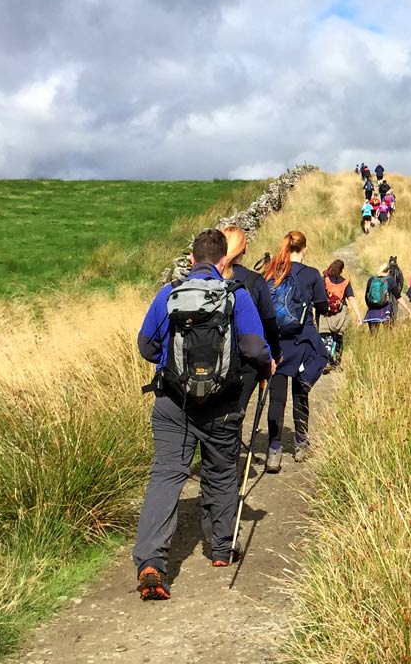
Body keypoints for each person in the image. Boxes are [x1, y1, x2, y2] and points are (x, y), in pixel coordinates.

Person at [133, 229, 273, 600]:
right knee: (222, 471)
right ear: (224, 261)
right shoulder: (237, 296)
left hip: (172, 404)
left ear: (192, 260)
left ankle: (151, 562)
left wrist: (172, 365)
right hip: (222, 405)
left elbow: (146, 345)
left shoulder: (169, 295)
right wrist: (264, 366)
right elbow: (255, 347)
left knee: (166, 476)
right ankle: (221, 549)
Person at [263, 230, 329, 470]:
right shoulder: (312, 275)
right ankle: (300, 443)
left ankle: (274, 449)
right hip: (304, 342)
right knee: (301, 395)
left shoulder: (270, 271)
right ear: (304, 249)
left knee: (276, 398)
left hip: (277, 343)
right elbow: (322, 306)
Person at [222, 226, 282, 413]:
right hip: (246, 361)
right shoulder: (255, 281)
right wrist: (275, 352)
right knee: (235, 414)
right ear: (244, 249)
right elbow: (269, 322)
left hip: (210, 356)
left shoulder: (211, 279)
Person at [319, 259, 362, 371]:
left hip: (326, 313)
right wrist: (358, 316)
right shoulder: (345, 282)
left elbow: (318, 297)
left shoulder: (325, 280)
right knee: (338, 337)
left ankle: (326, 361)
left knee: (326, 338)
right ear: (342, 270)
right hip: (340, 314)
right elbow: (351, 298)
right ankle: (336, 363)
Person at [362, 262, 409, 333]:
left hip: (372, 311)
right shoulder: (390, 280)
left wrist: (371, 305)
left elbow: (366, 296)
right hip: (385, 310)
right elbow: (398, 297)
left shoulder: (371, 279)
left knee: (373, 335)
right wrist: (408, 309)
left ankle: (373, 344)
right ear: (388, 271)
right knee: (388, 334)